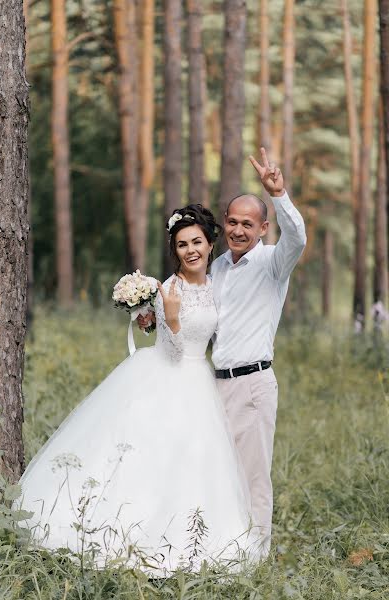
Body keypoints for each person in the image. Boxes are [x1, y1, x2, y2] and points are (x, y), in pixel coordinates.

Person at [19, 204, 260, 575]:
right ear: (174, 251)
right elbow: (175, 350)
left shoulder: (217, 285)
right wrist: (172, 318)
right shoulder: (169, 290)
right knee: (152, 456)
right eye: (181, 245)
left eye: (196, 241)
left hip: (202, 383)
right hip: (170, 375)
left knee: (197, 460)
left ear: (211, 244)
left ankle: (197, 534)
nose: (190, 250)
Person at [211, 148, 307, 557]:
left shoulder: (273, 263)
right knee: (218, 471)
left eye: (247, 224)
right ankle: (221, 549)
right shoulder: (216, 267)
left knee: (253, 477)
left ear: (263, 228)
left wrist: (279, 192)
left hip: (253, 384)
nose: (237, 230)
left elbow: (298, 237)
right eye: (232, 222)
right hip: (214, 387)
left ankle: (254, 560)